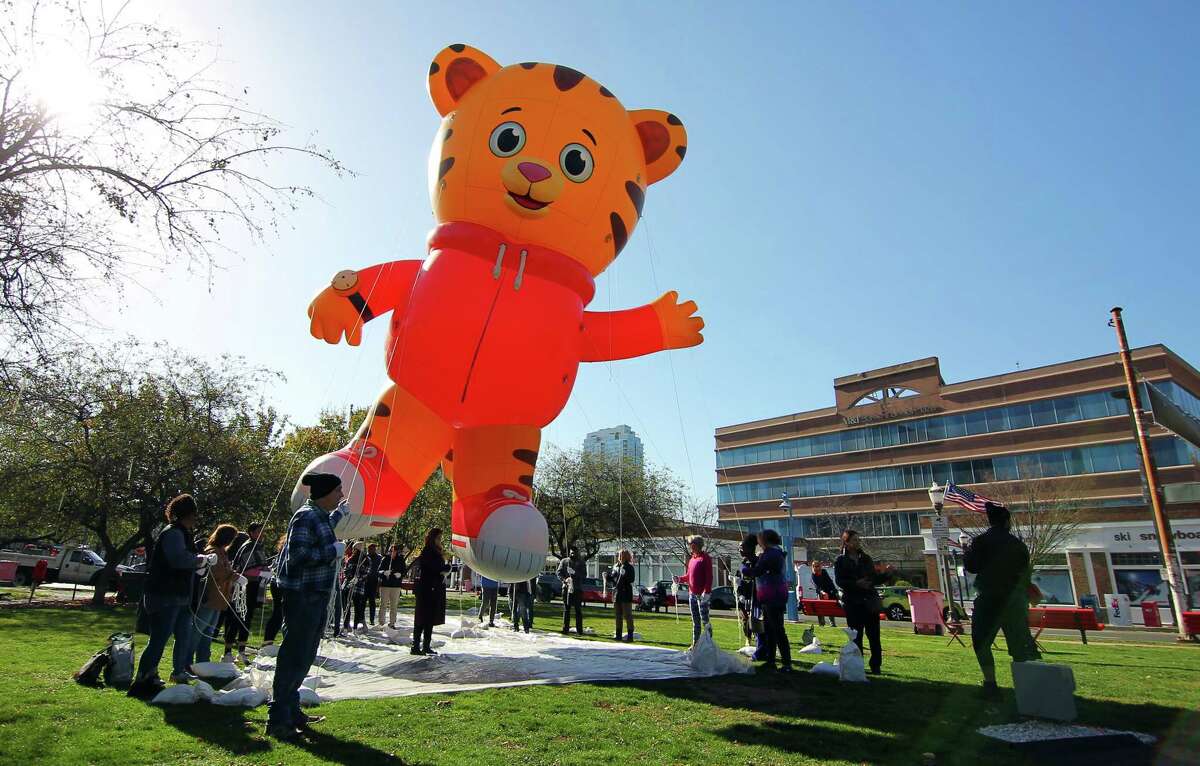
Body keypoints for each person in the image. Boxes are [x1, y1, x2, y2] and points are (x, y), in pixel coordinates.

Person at [266, 472, 347, 741]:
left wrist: (340, 514)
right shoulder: (305, 516)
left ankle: (291, 709)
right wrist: (332, 552)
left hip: (315, 595)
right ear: (325, 493)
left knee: (305, 654)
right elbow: (298, 556)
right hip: (303, 595)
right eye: (338, 492)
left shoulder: (319, 515)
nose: (341, 496)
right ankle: (278, 717)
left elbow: (323, 527)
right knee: (294, 655)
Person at [129, 494, 209, 696]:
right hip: (165, 594)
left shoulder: (183, 532)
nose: (196, 518)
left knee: (183, 635)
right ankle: (144, 676)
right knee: (159, 638)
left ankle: (179, 671)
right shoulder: (173, 533)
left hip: (180, 594)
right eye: (194, 514)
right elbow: (178, 559)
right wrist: (200, 560)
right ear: (188, 514)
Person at [964, 502, 1042, 696]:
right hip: (1014, 600)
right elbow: (1025, 573)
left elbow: (972, 567)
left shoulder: (980, 541)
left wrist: (966, 554)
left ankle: (990, 683)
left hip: (989, 598)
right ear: (1007, 522)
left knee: (982, 642)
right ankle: (1025, 686)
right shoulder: (1018, 544)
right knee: (1018, 643)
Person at [834, 529, 886, 675]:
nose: (857, 542)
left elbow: (873, 578)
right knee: (856, 636)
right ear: (847, 543)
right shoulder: (841, 560)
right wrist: (856, 584)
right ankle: (858, 664)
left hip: (869, 600)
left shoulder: (866, 558)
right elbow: (840, 581)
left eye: (858, 540)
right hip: (853, 601)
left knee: (874, 635)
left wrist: (886, 575)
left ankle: (876, 665)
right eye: (854, 540)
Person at [193, 524, 240, 666]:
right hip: (209, 597)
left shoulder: (222, 552)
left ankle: (203, 662)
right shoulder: (212, 551)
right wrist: (234, 576)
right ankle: (187, 661)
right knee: (199, 631)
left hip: (219, 598)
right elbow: (217, 572)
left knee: (209, 632)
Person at [224, 523, 269, 663]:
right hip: (243, 587)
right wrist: (262, 572)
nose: (262, 534)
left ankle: (241, 651)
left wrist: (266, 571)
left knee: (247, 618)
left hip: (254, 586)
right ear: (251, 532)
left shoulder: (258, 546)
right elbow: (246, 570)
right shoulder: (249, 546)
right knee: (237, 618)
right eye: (259, 531)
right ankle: (227, 652)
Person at [753, 529, 793, 671]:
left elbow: (758, 571)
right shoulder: (775, 553)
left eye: (760, 540)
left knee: (777, 629)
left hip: (772, 596)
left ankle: (786, 662)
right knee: (770, 629)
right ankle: (771, 660)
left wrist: (746, 569)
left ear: (765, 540)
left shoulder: (771, 554)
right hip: (773, 595)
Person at [412, 527, 451, 655]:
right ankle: (417, 646)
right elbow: (434, 568)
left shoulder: (434, 551)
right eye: (439, 538)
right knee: (423, 618)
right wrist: (446, 567)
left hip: (432, 588)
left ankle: (425, 646)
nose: (440, 541)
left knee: (428, 618)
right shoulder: (429, 552)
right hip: (427, 589)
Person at [736, 534, 765, 658]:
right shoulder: (743, 563)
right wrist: (739, 592)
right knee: (746, 620)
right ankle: (749, 639)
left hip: (757, 599)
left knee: (758, 624)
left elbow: (751, 575)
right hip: (746, 598)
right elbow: (741, 579)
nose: (740, 550)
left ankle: (761, 649)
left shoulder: (757, 562)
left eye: (742, 547)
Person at [684, 535, 713, 646]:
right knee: (695, 622)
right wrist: (679, 579)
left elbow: (709, 576)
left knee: (705, 621)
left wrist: (707, 591)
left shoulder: (705, 558)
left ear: (694, 545)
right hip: (692, 594)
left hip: (702, 596)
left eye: (690, 544)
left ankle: (708, 643)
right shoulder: (692, 559)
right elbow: (688, 576)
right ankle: (695, 644)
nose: (690, 547)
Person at [260, 533, 288, 648]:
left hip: (276, 582)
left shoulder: (283, 550)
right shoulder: (289, 550)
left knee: (279, 612)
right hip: (281, 583)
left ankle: (269, 640)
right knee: (280, 613)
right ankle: (269, 641)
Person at [557, 545, 586, 634]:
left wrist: (574, 573)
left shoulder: (581, 563)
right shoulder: (564, 561)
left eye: (574, 553)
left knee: (578, 610)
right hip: (566, 588)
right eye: (571, 553)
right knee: (566, 609)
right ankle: (565, 629)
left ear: (577, 553)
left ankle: (579, 630)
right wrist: (564, 580)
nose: (572, 554)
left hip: (577, 589)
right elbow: (559, 572)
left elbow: (584, 575)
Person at [378, 543, 406, 629]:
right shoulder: (385, 559)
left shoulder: (400, 560)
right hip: (385, 585)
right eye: (390, 551)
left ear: (397, 552)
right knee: (383, 604)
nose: (392, 552)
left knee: (394, 605)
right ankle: (381, 622)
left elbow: (404, 571)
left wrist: (400, 574)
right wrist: (384, 572)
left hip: (396, 586)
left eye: (393, 551)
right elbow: (379, 571)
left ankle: (392, 623)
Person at [610, 549, 636, 642]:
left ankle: (630, 635)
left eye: (622, 555)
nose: (620, 557)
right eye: (619, 555)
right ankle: (618, 634)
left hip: (626, 593)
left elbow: (631, 579)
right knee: (618, 615)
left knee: (627, 615)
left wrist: (624, 575)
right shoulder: (616, 566)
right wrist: (608, 577)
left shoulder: (629, 567)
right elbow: (613, 578)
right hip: (617, 593)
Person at [812, 561, 839, 628]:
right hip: (821, 592)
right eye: (815, 566)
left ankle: (832, 624)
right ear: (813, 567)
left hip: (829, 591)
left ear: (820, 566)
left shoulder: (824, 571)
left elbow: (829, 581)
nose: (817, 568)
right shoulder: (813, 575)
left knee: (830, 607)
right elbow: (817, 586)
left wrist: (834, 590)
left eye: (818, 566)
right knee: (820, 608)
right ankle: (822, 624)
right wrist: (823, 593)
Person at [364, 543, 382, 625]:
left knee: (372, 602)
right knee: (362, 602)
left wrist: (379, 582)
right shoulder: (365, 557)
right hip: (365, 582)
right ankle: (361, 619)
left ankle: (372, 619)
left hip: (374, 582)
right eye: (370, 549)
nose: (371, 550)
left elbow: (380, 570)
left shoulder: (379, 558)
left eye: (373, 549)